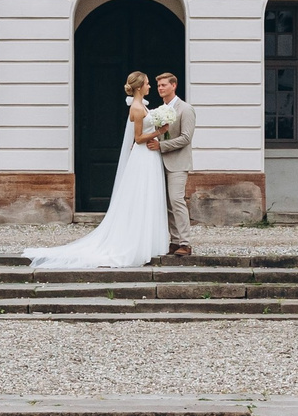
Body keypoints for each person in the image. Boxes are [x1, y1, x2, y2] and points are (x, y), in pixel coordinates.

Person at [24, 72, 168, 270]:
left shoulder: (142, 105)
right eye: (147, 84)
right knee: (140, 195)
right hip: (143, 156)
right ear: (138, 87)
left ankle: (148, 243)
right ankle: (137, 244)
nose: (150, 86)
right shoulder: (136, 107)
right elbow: (138, 138)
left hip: (149, 156)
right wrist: (160, 131)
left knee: (148, 196)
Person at [143, 69, 195, 257]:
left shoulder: (185, 109)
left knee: (177, 200)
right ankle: (174, 241)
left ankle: (185, 243)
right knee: (167, 204)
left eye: (164, 85)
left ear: (174, 85)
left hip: (178, 163)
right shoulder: (159, 110)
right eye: (158, 85)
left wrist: (161, 145)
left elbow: (186, 138)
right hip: (159, 163)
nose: (160, 88)